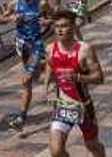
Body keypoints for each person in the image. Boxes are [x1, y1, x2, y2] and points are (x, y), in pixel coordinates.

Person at [44, 10, 106, 157]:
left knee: (92, 146)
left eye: (64, 26)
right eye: (57, 26)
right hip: (63, 106)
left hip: (83, 106)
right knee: (56, 150)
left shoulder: (85, 49)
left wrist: (78, 77)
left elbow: (99, 77)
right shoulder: (50, 49)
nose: (59, 30)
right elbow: (50, 66)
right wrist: (46, 84)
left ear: (72, 27)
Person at [0, 0, 52, 131]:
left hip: (36, 44)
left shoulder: (41, 4)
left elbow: (52, 19)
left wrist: (44, 22)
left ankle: (21, 117)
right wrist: (12, 18)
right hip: (21, 44)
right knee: (32, 78)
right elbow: (2, 19)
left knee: (26, 80)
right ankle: (51, 74)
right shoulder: (15, 4)